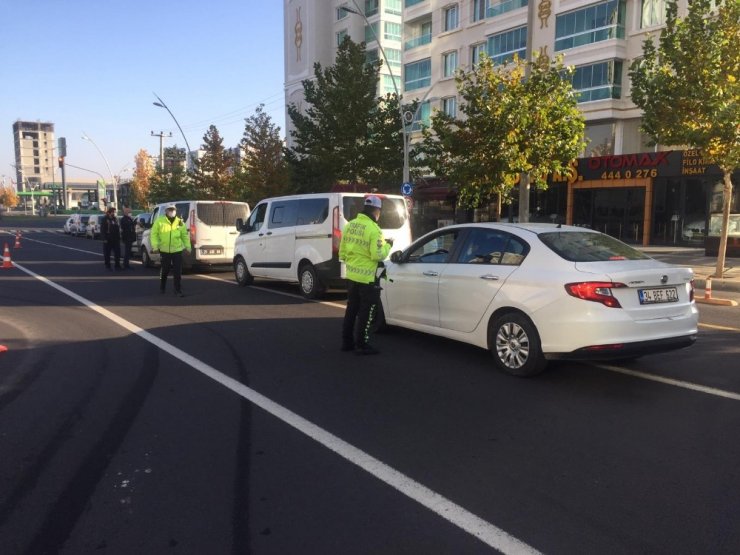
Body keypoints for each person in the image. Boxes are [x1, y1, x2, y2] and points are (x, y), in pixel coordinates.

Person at [338, 195, 393, 355]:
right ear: (377, 210)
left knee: (351, 310)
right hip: (368, 278)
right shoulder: (374, 229)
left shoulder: (350, 225)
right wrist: (388, 246)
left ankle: (346, 342)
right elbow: (377, 255)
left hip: (352, 275)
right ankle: (362, 343)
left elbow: (342, 251)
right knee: (366, 312)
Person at [150, 204, 191, 297]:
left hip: (177, 250)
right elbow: (154, 234)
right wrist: (155, 246)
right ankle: (162, 286)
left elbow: (184, 236)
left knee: (177, 271)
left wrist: (188, 247)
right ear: (166, 211)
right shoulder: (159, 221)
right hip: (164, 250)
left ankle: (177, 290)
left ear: (176, 211)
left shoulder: (180, 222)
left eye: (173, 210)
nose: (172, 211)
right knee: (165, 270)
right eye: (170, 210)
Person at [100, 206, 122, 270]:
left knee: (117, 253)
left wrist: (119, 237)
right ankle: (108, 266)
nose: (114, 213)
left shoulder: (115, 219)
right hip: (108, 239)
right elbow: (102, 229)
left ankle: (117, 265)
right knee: (107, 253)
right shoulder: (105, 219)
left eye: (114, 212)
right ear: (109, 212)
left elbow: (117, 228)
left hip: (115, 239)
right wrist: (104, 238)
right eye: (113, 212)